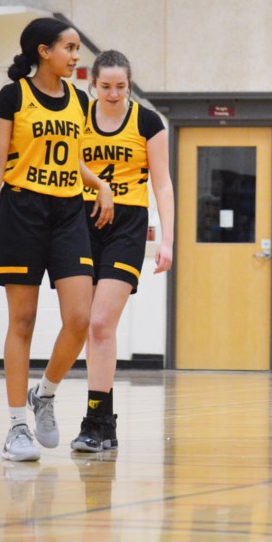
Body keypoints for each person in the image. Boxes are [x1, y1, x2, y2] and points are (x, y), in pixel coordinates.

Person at [0, 17, 114, 462]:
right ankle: (17, 426)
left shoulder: (77, 98)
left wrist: (100, 184)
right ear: (43, 51)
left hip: (69, 212)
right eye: (70, 48)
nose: (76, 57)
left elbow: (71, 161)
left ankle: (45, 395)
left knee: (79, 318)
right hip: (23, 211)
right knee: (23, 321)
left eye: (77, 49)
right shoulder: (12, 96)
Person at [71, 50, 175, 452]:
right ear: (92, 84)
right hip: (79, 220)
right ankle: (101, 423)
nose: (113, 94)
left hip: (127, 227)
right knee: (80, 322)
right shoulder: (78, 117)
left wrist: (167, 238)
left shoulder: (148, 122)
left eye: (121, 87)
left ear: (130, 85)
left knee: (100, 323)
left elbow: (163, 184)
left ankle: (97, 420)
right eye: (105, 86)